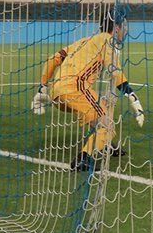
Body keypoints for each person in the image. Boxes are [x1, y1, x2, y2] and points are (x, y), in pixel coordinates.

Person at [31, 11, 145, 171]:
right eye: (124, 26)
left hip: (57, 92)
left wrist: (42, 87)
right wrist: (133, 97)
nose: (126, 30)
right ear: (117, 27)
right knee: (106, 125)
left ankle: (105, 144)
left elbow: (53, 59)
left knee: (106, 103)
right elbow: (115, 71)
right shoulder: (107, 40)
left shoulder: (83, 41)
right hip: (76, 89)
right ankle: (82, 160)